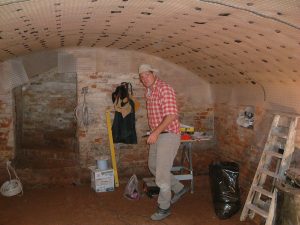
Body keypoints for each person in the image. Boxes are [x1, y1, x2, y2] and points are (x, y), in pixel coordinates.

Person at [138, 64, 189, 221]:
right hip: (158, 135)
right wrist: (154, 132)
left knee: (161, 174)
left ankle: (164, 207)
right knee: (153, 166)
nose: (144, 78)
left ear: (154, 74)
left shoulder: (164, 89)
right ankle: (178, 187)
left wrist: (156, 132)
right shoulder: (150, 91)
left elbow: (171, 115)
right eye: (142, 76)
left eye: (147, 75)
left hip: (168, 135)